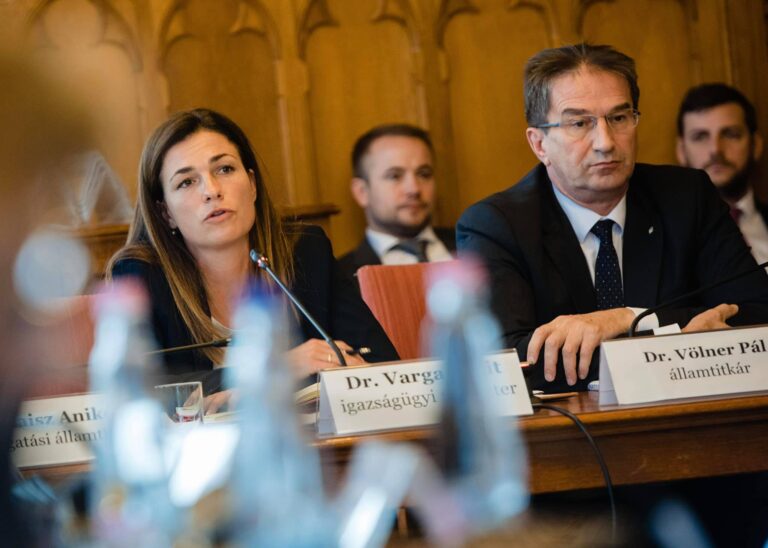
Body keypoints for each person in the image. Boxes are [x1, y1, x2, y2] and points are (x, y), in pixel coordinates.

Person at [456, 43, 768, 393]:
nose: (605, 142)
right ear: (539, 143)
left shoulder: (687, 198)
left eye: (619, 118)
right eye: (579, 123)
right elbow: (507, 364)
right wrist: (678, 337)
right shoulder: (496, 225)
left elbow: (757, 315)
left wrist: (626, 318)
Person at [107, 109, 398, 395]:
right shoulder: (142, 276)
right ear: (166, 213)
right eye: (186, 182)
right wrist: (278, 369)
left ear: (253, 185)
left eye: (224, 169)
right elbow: (141, 392)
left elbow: (381, 362)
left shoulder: (306, 251)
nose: (212, 190)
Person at [338, 124, 455, 280]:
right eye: (394, 176)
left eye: (424, 174)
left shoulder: (475, 246)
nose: (414, 189)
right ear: (362, 192)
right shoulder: (338, 277)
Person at [676, 83, 768, 263]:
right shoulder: (667, 237)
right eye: (700, 137)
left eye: (731, 134)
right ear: (681, 151)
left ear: (755, 145)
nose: (715, 150)